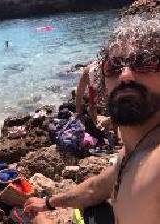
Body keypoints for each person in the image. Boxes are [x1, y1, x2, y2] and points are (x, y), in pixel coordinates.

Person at [24, 15, 160, 224]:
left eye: (143, 62)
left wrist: (43, 220)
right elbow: (96, 187)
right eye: (114, 66)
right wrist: (49, 203)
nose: (125, 75)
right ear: (103, 81)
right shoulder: (133, 151)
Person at [75, 60, 102, 124]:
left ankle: (95, 124)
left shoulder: (89, 70)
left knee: (92, 105)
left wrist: (78, 113)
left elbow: (79, 93)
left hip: (94, 77)